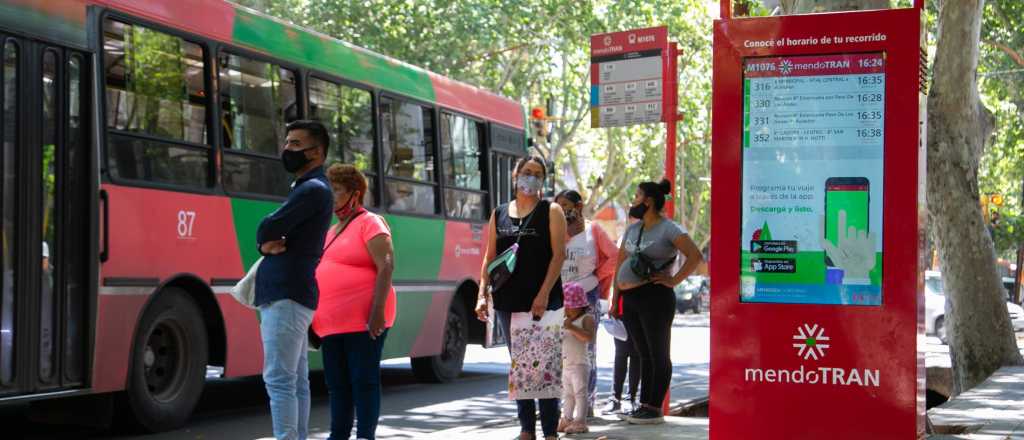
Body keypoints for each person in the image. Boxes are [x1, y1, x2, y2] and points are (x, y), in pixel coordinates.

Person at [475, 156, 567, 440]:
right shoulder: (499, 213)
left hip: (543, 303)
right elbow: (490, 258)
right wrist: (482, 294)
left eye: (538, 173)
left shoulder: (551, 210)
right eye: (527, 172)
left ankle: (550, 430)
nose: (532, 177)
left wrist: (542, 295)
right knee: (521, 366)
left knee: (545, 365)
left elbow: (558, 256)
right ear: (515, 176)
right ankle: (527, 429)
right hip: (508, 301)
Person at [254, 120, 334, 440]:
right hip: (293, 293)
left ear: (317, 153)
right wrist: (266, 241)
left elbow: (267, 227)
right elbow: (271, 232)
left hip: (287, 293)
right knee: (294, 379)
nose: (287, 150)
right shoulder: (307, 188)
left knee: (279, 379)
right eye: (287, 143)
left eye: (296, 144)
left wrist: (264, 239)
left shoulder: (313, 189)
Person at [313, 164, 396, 440]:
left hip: (363, 321)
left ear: (355, 194)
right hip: (331, 325)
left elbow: (386, 265)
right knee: (337, 385)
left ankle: (364, 436)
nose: (330, 197)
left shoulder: (370, 222)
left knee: (364, 381)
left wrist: (376, 312)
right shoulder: (331, 231)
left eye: (336, 191)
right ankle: (338, 436)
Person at [611, 179, 703, 425]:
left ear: (648, 201)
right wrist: (615, 298)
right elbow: (620, 263)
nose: (634, 200)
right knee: (642, 353)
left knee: (658, 352)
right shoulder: (633, 229)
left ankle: (653, 407)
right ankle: (643, 405)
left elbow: (695, 256)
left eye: (637, 195)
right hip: (630, 299)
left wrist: (674, 280)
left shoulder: (669, 229)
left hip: (655, 298)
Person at [553, 190, 617, 414]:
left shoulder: (594, 229)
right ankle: (561, 406)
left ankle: (586, 405)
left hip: (585, 298)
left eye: (566, 205)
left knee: (586, 352)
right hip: (557, 299)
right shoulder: (553, 230)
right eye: (557, 205)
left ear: (578, 207)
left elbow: (615, 256)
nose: (561, 209)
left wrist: (596, 277)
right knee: (558, 353)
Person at [557, 283, 597, 434]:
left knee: (580, 393)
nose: (567, 310)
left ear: (580, 305)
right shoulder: (566, 321)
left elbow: (588, 337)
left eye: (570, 307)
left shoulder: (586, 319)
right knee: (567, 394)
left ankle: (580, 421)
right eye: (565, 307)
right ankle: (566, 418)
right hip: (566, 364)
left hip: (580, 364)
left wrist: (571, 327)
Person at [606, 291, 642, 415]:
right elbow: (618, 281)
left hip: (641, 309)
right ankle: (615, 398)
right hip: (622, 309)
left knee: (636, 355)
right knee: (620, 354)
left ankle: (631, 397)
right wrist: (614, 303)